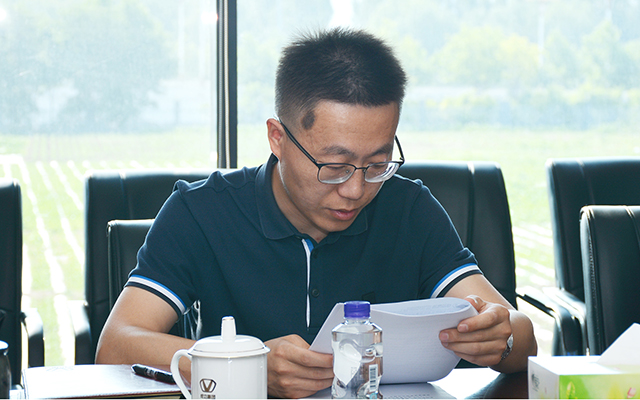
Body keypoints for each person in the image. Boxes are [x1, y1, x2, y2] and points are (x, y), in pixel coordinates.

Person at [96, 28, 537, 399]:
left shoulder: (409, 209)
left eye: (378, 163)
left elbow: (521, 335)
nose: (356, 190)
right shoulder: (201, 212)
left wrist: (500, 338)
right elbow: (116, 345)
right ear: (278, 138)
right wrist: (248, 367)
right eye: (335, 166)